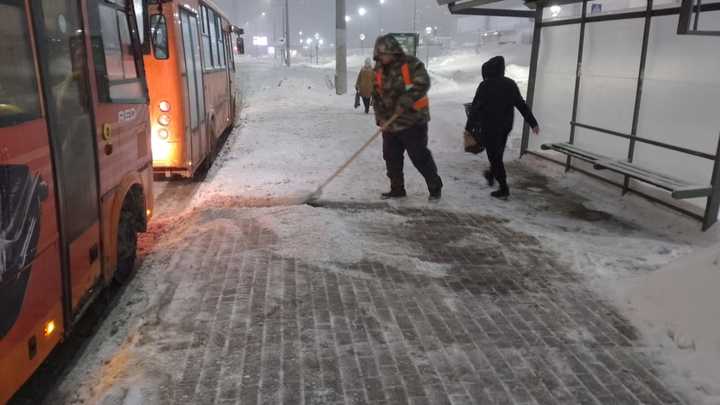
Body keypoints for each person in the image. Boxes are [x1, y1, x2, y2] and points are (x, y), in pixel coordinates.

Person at [372, 35, 443, 201]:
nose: (382, 58)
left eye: (385, 54)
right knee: (391, 156)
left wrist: (405, 101)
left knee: (418, 155)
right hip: (390, 123)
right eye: (380, 55)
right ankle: (397, 189)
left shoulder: (411, 64)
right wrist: (380, 118)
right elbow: (377, 95)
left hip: (413, 120)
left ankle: (434, 185)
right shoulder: (379, 69)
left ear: (393, 51)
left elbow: (422, 83)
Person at [465, 56, 539, 200]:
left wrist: (469, 127)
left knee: (495, 157)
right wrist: (533, 122)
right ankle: (491, 174)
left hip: (490, 126)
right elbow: (521, 104)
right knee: (497, 154)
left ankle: (503, 188)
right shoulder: (510, 84)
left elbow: (475, 108)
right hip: (505, 126)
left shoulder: (485, 85)